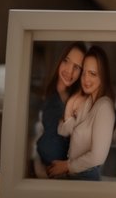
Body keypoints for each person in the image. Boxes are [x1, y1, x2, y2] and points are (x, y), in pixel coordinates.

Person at [50, 44, 116, 180]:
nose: (86, 79)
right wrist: (70, 105)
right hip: (74, 173)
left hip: (87, 175)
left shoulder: (104, 107)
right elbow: (64, 131)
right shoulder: (88, 102)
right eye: (84, 72)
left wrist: (66, 166)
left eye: (92, 74)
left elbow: (98, 157)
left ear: (103, 76)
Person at [31, 41, 84, 178]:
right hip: (49, 164)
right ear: (59, 60)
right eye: (66, 61)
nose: (69, 71)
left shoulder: (78, 98)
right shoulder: (45, 97)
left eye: (77, 67)